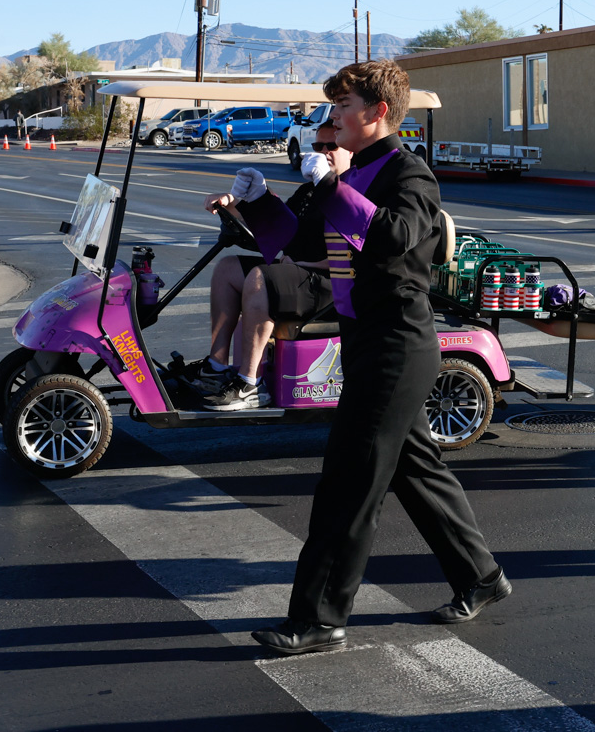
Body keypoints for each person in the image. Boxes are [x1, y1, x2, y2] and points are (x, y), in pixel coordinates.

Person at [251, 59, 509, 655]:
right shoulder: (354, 167)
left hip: (398, 344)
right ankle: (481, 576)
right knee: (415, 470)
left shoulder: (409, 175)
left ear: (379, 113)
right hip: (363, 339)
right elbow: (303, 243)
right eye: (333, 106)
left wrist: (331, 186)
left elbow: (393, 235)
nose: (332, 116)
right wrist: (255, 205)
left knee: (347, 481)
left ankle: (320, 618)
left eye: (342, 105)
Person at [188, 121, 349, 411]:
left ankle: (251, 383)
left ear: (349, 149)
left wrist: (298, 262)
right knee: (227, 268)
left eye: (332, 146)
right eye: (318, 146)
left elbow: (352, 254)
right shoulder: (309, 191)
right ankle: (216, 366)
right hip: (299, 273)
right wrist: (233, 201)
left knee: (261, 279)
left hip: (332, 282)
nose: (324, 152)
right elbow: (277, 228)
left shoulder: (349, 193)